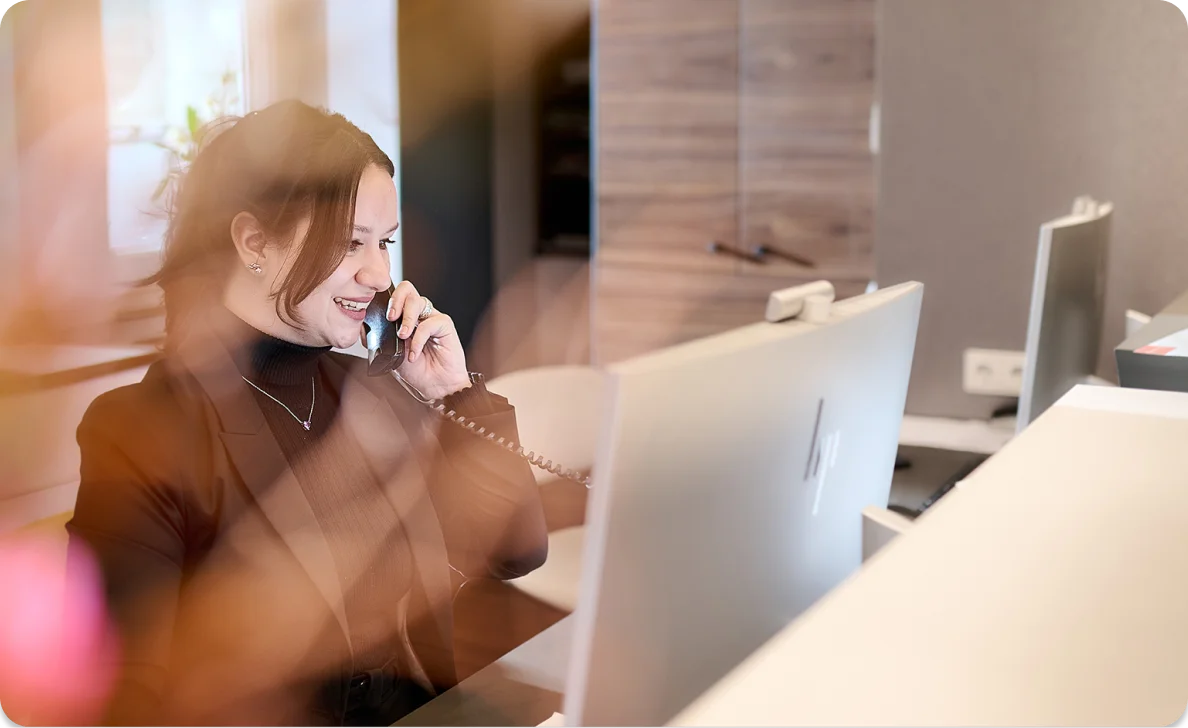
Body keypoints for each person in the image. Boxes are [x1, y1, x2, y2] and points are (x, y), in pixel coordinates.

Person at [65, 100, 548, 727]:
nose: (379, 274)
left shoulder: (377, 389)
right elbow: (123, 699)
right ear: (253, 242)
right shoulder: (140, 430)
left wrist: (457, 394)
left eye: (386, 243)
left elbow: (517, 550)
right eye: (351, 242)